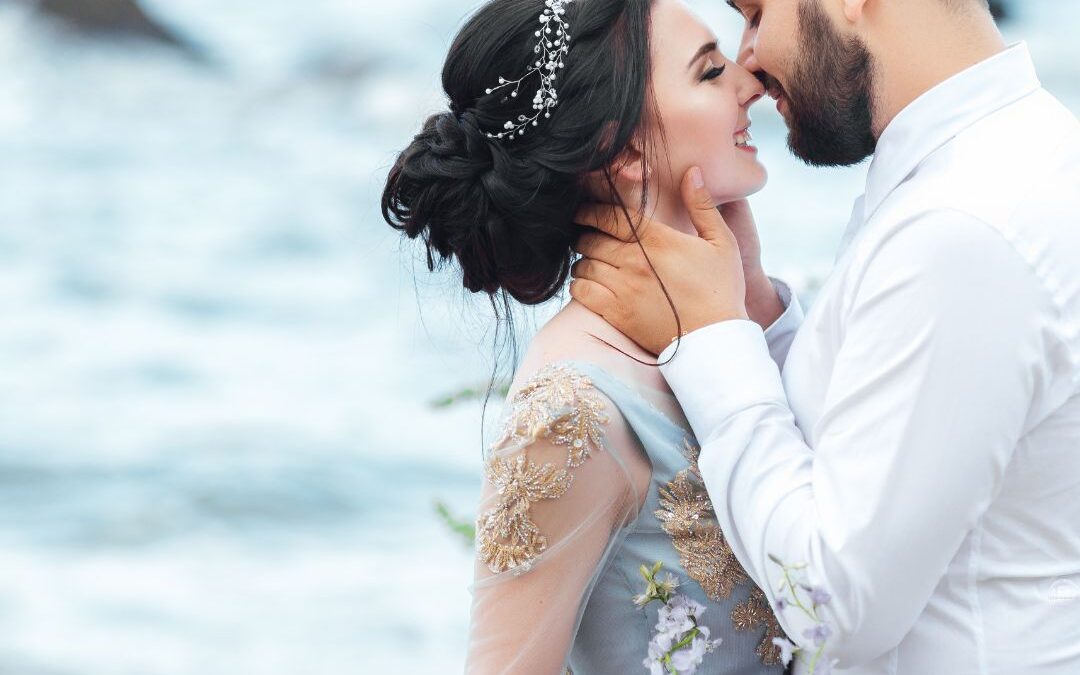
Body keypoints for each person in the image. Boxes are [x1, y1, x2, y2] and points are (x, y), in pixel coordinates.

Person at [569, 0, 1080, 672]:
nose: (747, 60)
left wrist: (712, 337)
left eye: (755, 14)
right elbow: (884, 456)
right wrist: (758, 315)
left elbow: (834, 603)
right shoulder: (1015, 155)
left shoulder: (962, 225)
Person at [382, 0, 798, 672]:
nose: (750, 83)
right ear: (625, 147)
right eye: (711, 71)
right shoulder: (574, 408)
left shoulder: (736, 329)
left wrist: (753, 304)